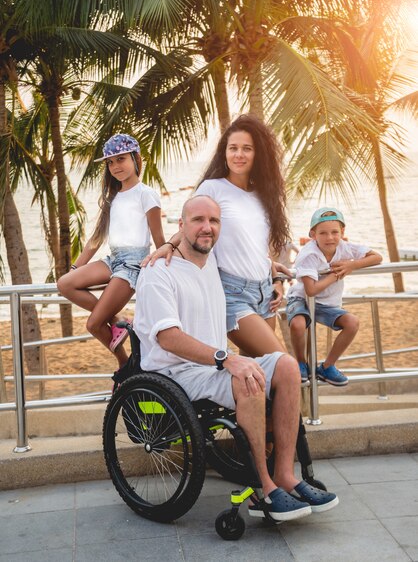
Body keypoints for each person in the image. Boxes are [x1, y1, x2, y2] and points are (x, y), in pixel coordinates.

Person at [135, 195, 338, 521]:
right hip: (176, 372)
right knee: (247, 375)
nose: (207, 227)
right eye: (198, 220)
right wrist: (226, 359)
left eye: (214, 221)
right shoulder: (159, 271)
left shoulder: (214, 261)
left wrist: (273, 275)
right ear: (181, 226)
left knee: (285, 365)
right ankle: (263, 488)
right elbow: (167, 337)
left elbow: (250, 261)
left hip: (213, 367)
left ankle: (285, 474)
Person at [143, 114, 291, 357]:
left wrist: (275, 278)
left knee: (258, 377)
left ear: (258, 154)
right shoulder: (213, 188)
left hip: (265, 293)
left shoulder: (262, 195)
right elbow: (193, 224)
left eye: (247, 149)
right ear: (225, 152)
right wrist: (169, 244)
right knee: (283, 364)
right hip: (233, 294)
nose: (238, 154)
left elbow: (256, 247)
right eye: (233, 148)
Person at [58, 134, 165, 368]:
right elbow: (95, 240)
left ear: (136, 159)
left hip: (133, 265)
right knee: (64, 283)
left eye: (121, 159)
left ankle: (124, 364)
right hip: (113, 260)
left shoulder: (146, 194)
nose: (115, 166)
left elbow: (159, 239)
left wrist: (166, 269)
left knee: (93, 324)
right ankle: (117, 320)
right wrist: (76, 268)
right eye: (110, 162)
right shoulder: (113, 197)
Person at [286, 207, 383, 386]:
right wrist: (335, 274)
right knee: (298, 325)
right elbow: (311, 290)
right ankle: (301, 363)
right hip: (301, 299)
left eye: (334, 232)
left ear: (342, 232)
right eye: (323, 233)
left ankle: (327, 366)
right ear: (312, 234)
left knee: (352, 322)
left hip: (327, 303)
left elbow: (377, 257)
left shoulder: (345, 248)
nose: (329, 238)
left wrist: (352, 265)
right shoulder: (308, 254)